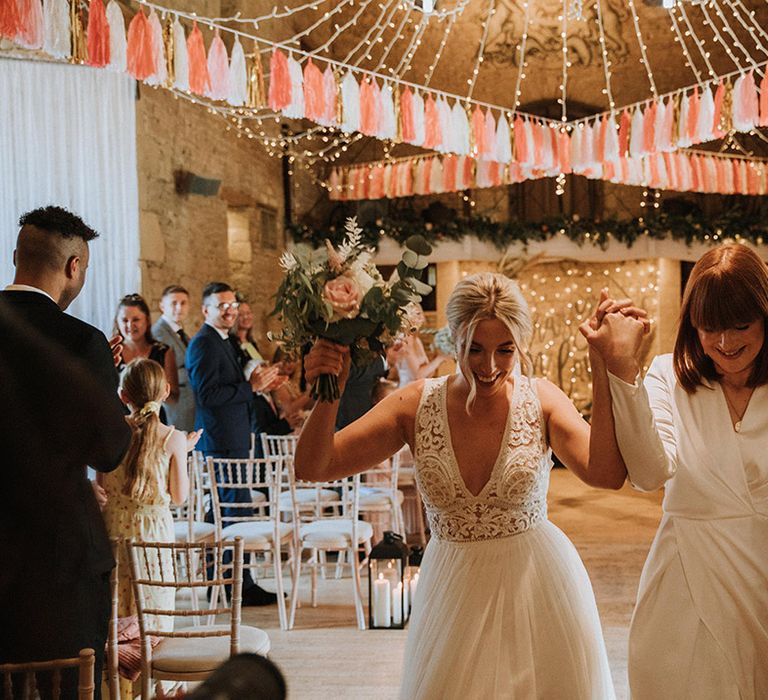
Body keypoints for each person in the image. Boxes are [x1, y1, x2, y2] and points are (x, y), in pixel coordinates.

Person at [296, 272, 639, 699]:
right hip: (453, 591)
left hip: (538, 587)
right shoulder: (415, 404)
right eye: (474, 349)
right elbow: (315, 465)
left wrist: (602, 367)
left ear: (520, 345)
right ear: (452, 338)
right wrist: (331, 388)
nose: (489, 366)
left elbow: (606, 473)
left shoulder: (542, 400)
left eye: (505, 350)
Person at [582, 244, 768, 700]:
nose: (724, 343)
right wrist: (623, 366)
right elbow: (648, 473)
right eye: (710, 328)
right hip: (684, 588)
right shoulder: (670, 374)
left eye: (740, 326)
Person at [0, 206, 131, 699]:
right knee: (66, 686)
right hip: (58, 560)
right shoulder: (82, 341)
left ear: (16, 257)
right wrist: (103, 386)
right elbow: (108, 449)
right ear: (74, 267)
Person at [186, 282, 284, 606]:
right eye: (221, 305)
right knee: (230, 514)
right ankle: (233, 585)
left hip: (234, 438)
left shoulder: (225, 340)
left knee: (230, 514)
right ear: (206, 311)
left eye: (232, 304)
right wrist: (250, 388)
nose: (229, 310)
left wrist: (263, 382)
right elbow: (207, 395)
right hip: (220, 442)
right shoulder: (203, 344)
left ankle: (232, 582)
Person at [100, 359, 197, 627]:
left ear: (123, 395)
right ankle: (148, 659)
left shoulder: (110, 432)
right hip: (152, 532)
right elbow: (180, 497)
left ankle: (119, 661)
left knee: (115, 605)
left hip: (113, 528)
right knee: (152, 607)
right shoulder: (173, 439)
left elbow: (105, 487)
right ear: (166, 391)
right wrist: (180, 452)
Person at [114, 294, 179, 413]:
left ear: (147, 320)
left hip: (154, 421)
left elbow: (174, 397)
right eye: (124, 320)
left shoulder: (163, 351)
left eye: (136, 320)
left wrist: (153, 392)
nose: (129, 325)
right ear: (117, 322)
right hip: (118, 421)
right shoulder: (111, 351)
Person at [152, 285, 196, 432]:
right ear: (162, 306)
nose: (179, 308)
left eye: (183, 303)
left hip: (189, 403)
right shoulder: (158, 333)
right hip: (174, 404)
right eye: (174, 303)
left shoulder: (180, 332)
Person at [392, 303, 450, 388]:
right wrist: (440, 358)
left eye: (421, 314)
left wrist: (438, 356)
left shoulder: (417, 340)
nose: (422, 318)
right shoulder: (404, 340)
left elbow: (429, 374)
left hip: (420, 389)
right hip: (407, 391)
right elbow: (418, 376)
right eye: (417, 314)